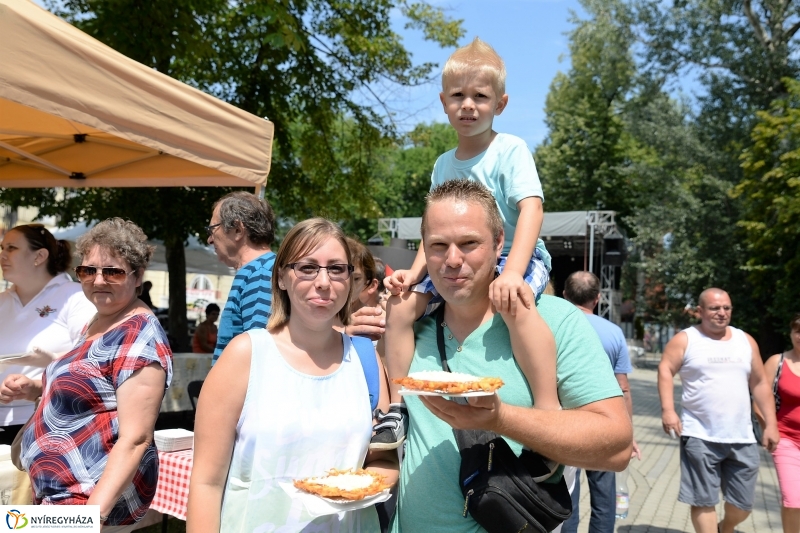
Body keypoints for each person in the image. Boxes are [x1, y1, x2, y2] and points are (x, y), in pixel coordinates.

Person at [390, 180, 633, 532]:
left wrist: (500, 419)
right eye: (438, 246)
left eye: (469, 243)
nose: (453, 260)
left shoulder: (553, 319)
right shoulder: (415, 324)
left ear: (499, 243)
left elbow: (616, 447)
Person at [378, 37, 558, 450]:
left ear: (501, 103)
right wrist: (414, 272)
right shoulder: (443, 163)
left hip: (512, 250)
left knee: (516, 304)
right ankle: (397, 407)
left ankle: (547, 409)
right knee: (401, 305)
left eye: (480, 95)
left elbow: (531, 209)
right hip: (456, 256)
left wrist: (513, 272)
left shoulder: (510, 150)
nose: (468, 104)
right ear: (443, 101)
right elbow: (434, 234)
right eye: (458, 95)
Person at [186, 218, 398, 532]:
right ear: (283, 278)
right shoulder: (245, 355)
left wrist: (356, 490)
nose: (324, 282)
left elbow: (384, 458)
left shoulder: (365, 359)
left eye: (337, 269)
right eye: (308, 268)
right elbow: (206, 483)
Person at [0, 218, 173, 531]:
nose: (98, 280)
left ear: (138, 276)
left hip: (87, 503)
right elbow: (92, 387)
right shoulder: (99, 322)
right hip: (58, 497)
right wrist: (36, 388)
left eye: (113, 271)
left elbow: (135, 439)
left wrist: (89, 519)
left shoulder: (137, 335)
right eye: (88, 270)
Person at [658, 288, 779, 533]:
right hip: (699, 434)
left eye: (726, 308)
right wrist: (668, 410)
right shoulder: (686, 339)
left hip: (742, 437)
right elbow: (665, 370)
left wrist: (771, 425)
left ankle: (726, 527)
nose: (722, 313)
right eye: (715, 308)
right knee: (703, 500)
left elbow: (760, 383)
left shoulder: (745, 340)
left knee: (743, 505)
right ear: (700, 311)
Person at [0, 224, 96, 445]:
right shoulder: (2, 301)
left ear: (40, 256)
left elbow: (92, 357)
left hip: (48, 426)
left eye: (12, 247)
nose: (3, 254)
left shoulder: (75, 297)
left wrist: (37, 383)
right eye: (2, 247)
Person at [562, 271, 640, 533]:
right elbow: (623, 388)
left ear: (564, 295)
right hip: (602, 423)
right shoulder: (613, 333)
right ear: (597, 299)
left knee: (565, 497)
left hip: (564, 423)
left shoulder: (552, 325)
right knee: (604, 501)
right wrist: (627, 433)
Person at [206, 191, 276, 364]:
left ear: (238, 230)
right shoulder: (260, 270)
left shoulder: (260, 274)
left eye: (212, 229)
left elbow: (258, 354)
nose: (209, 239)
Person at [761, 314, 800, 533]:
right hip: (787, 439)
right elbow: (760, 399)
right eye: (797, 331)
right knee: (793, 498)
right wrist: (769, 426)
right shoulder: (778, 362)